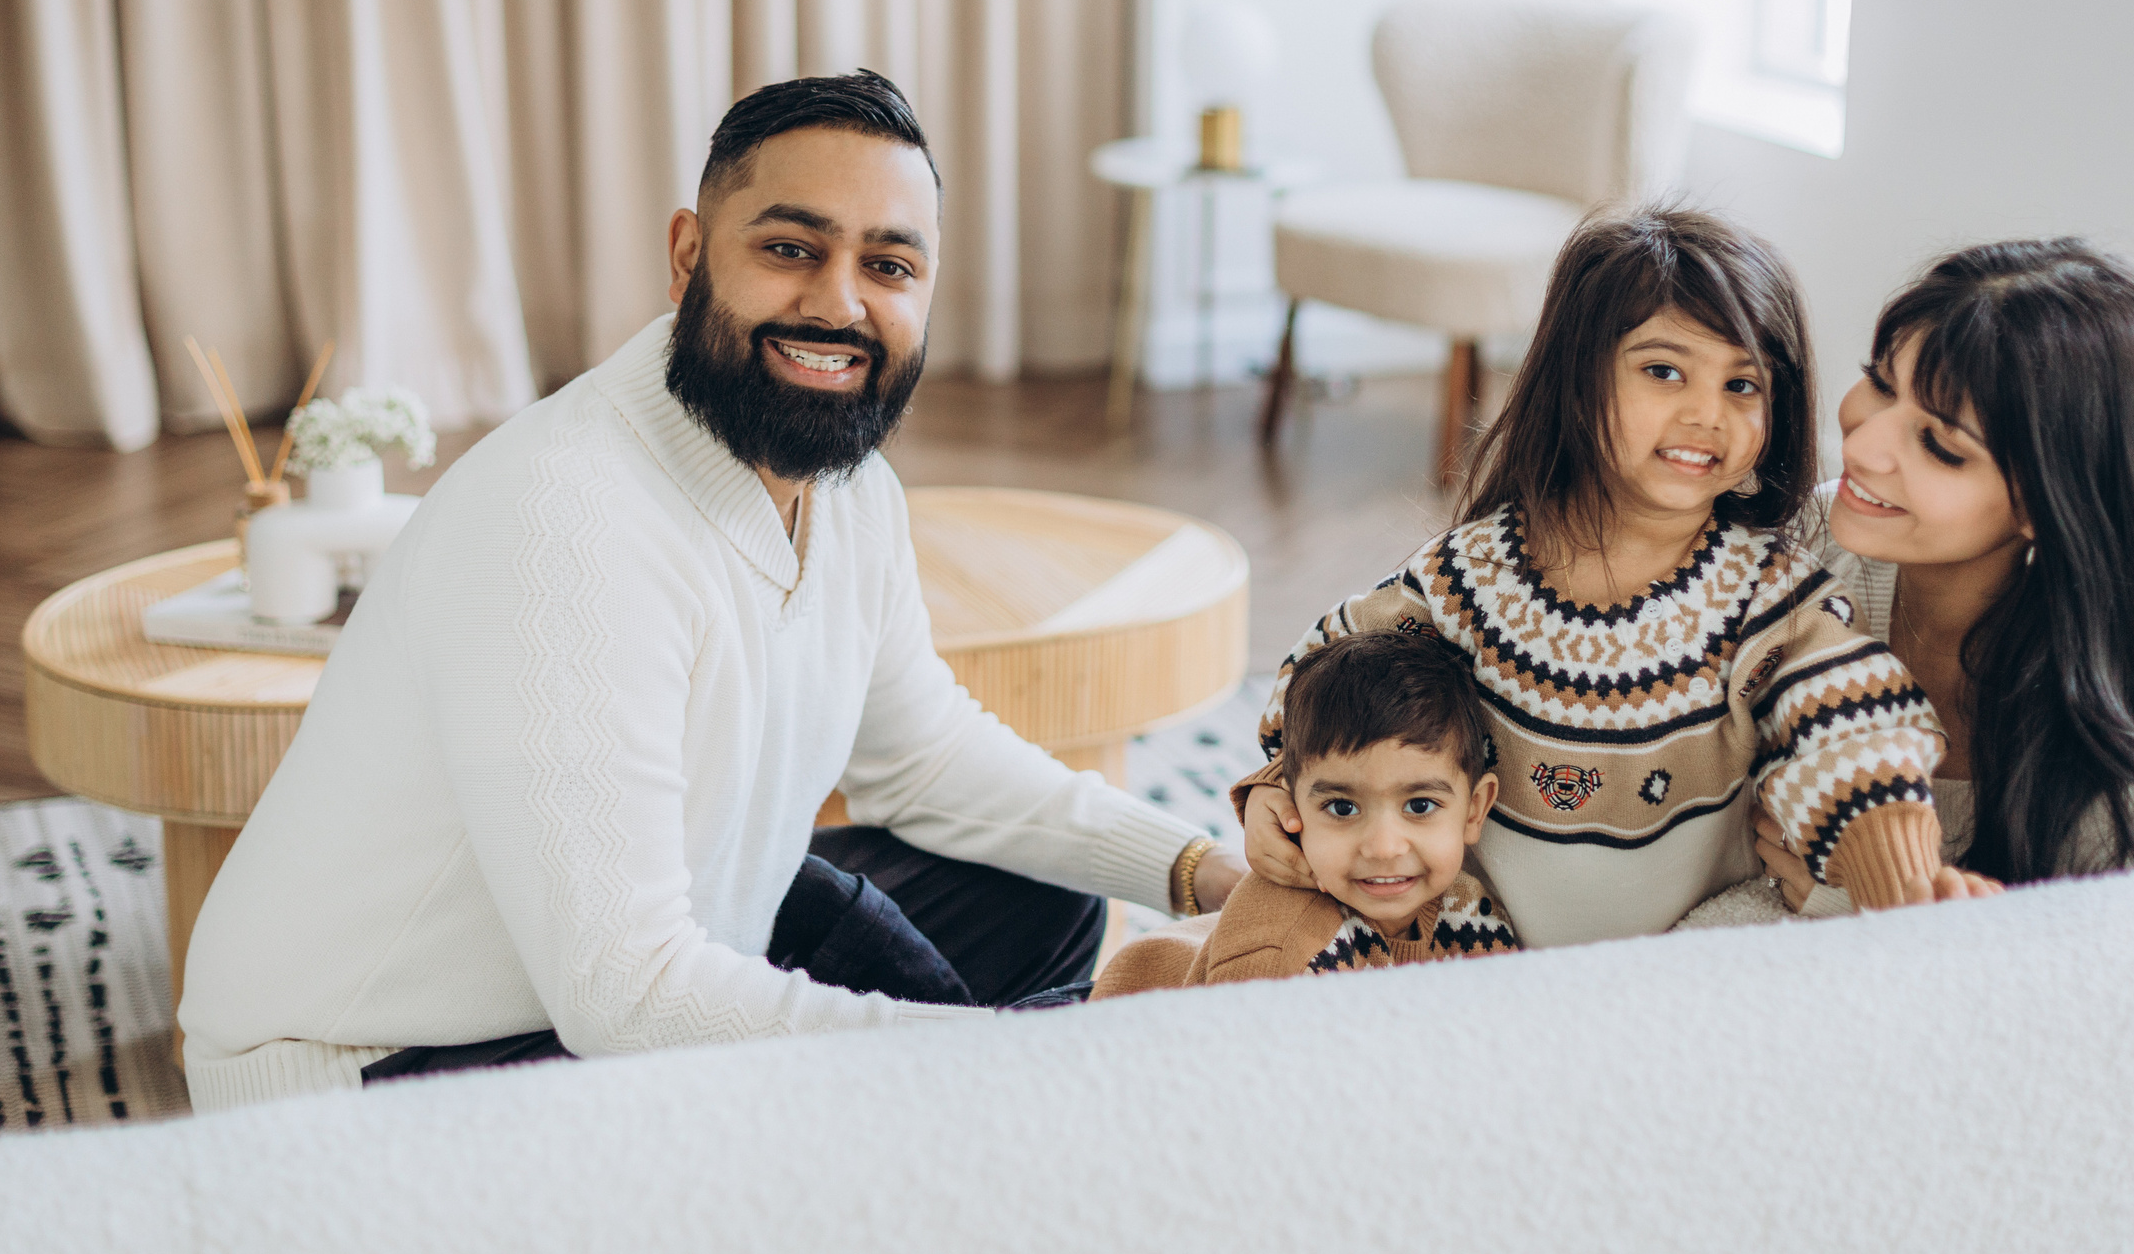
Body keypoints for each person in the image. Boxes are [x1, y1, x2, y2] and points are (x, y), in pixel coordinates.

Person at [180, 70, 1245, 1111]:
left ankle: (985, 1115)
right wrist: (1003, 1058)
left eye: (888, 266)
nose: (838, 302)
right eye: (790, 249)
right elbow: (628, 1000)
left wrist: (1206, 874)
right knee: (980, 1070)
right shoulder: (563, 521)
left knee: (1048, 906)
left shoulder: (850, 486)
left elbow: (921, 756)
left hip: (664, 946)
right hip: (366, 1078)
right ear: (689, 254)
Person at [1234, 205, 1970, 948]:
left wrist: (1902, 882)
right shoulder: (1469, 575)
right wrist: (1272, 788)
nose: (1706, 413)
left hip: (1673, 979)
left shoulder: (1768, 599)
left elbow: (1853, 733)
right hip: (1470, 959)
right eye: (1664, 370)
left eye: (1743, 386)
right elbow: (1325, 676)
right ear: (1577, 378)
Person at [1753, 239, 2134, 913]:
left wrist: (1862, 905)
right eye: (1880, 382)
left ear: (2047, 502)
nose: (1859, 444)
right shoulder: (1815, 542)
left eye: (1940, 445)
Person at [1091, 629, 1518, 997]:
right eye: (1343, 808)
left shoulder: (1472, 911)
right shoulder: (1280, 956)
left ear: (1474, 811)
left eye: (1420, 806)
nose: (1385, 847)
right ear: (1291, 808)